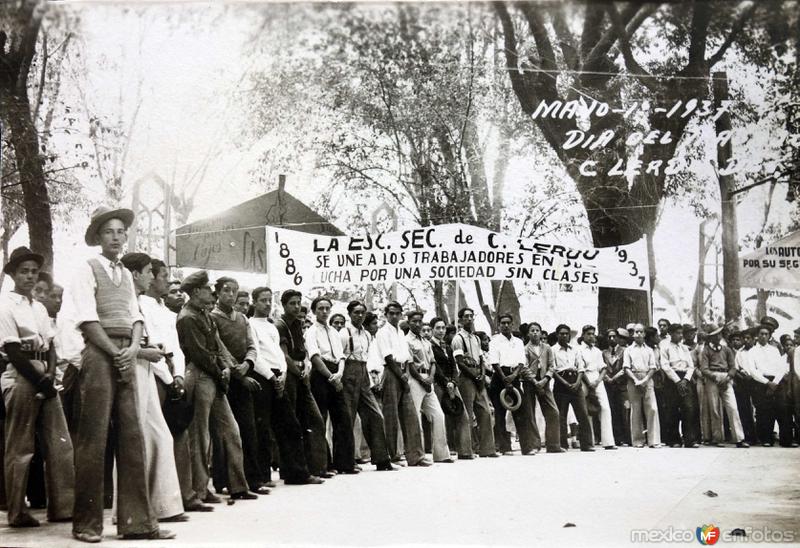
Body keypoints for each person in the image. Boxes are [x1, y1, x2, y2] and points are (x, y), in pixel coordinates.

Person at [66, 205, 169, 542]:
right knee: (93, 438)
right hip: (99, 353)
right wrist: (115, 353)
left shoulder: (126, 274)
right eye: (108, 231)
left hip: (126, 351)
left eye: (120, 232)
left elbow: (136, 316)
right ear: (97, 236)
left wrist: (132, 349)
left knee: (132, 435)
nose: (115, 237)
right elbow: (86, 318)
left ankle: (137, 522)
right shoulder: (86, 268)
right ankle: (86, 524)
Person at [1, 247, 74, 528]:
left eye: (33, 271)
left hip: (45, 373)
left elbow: (52, 344)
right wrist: (40, 381)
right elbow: (13, 351)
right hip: (21, 375)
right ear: (13, 274)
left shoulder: (39, 307)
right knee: (21, 446)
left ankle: (64, 507)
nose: (30, 277)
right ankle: (17, 511)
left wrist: (51, 376)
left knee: (60, 441)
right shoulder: (5, 305)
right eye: (24, 271)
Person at [176, 270, 258, 504]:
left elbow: (218, 346)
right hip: (201, 376)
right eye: (206, 288)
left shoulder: (204, 315)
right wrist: (221, 370)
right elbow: (199, 353)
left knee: (231, 432)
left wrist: (226, 367)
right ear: (195, 292)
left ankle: (238, 487)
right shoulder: (188, 317)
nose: (211, 292)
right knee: (200, 437)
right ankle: (200, 491)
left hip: (213, 377)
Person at [138, 259, 212, 513]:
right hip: (155, 375)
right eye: (162, 276)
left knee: (180, 433)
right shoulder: (141, 306)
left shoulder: (167, 312)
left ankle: (185, 495)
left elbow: (176, 349)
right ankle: (156, 502)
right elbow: (153, 346)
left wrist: (178, 376)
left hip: (173, 374)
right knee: (157, 438)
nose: (167, 281)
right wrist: (169, 379)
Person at [120, 253, 185, 522]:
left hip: (146, 369)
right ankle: (137, 510)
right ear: (135, 274)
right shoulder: (126, 300)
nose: (151, 276)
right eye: (148, 271)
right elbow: (121, 342)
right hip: (133, 371)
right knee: (137, 441)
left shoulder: (138, 302)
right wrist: (145, 353)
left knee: (159, 437)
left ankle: (163, 506)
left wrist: (150, 351)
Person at [249, 287, 324, 485]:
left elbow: (279, 354)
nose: (266, 304)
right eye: (262, 300)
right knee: (263, 427)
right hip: (263, 376)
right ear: (254, 302)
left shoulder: (272, 326)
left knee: (291, 425)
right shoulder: (251, 325)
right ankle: (262, 476)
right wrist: (272, 377)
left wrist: (282, 374)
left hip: (280, 376)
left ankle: (297, 473)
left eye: (268, 300)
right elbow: (255, 355)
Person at [210, 277, 271, 494]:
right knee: (223, 433)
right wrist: (238, 372)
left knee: (248, 430)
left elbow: (252, 346)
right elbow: (219, 349)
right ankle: (221, 480)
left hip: (245, 376)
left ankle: (252, 480)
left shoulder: (243, 318)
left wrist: (248, 363)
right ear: (217, 293)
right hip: (226, 379)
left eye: (234, 291)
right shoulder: (212, 317)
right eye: (226, 290)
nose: (231, 295)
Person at [274, 290, 329, 478]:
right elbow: (284, 355)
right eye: (292, 303)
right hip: (289, 375)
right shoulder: (279, 325)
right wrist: (298, 371)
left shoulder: (298, 324)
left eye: (298, 303)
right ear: (283, 305)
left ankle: (316, 467)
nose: (296, 307)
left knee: (313, 420)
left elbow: (303, 351)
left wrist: (305, 366)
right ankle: (294, 471)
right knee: (292, 423)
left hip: (302, 375)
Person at [305, 296, 357, 474]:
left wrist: (339, 374)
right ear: (314, 311)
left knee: (343, 418)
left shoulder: (334, 332)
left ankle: (345, 464)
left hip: (337, 372)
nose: (324, 312)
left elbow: (341, 356)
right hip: (321, 374)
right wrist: (330, 377)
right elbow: (315, 357)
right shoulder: (311, 331)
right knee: (320, 419)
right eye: (320, 308)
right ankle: (323, 464)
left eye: (327, 308)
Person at [340, 301, 395, 471]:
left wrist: (370, 379)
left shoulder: (366, 334)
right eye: (356, 312)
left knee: (375, 415)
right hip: (348, 372)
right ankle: (346, 462)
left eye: (362, 312)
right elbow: (339, 357)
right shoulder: (344, 333)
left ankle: (381, 459)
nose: (359, 315)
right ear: (349, 314)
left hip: (363, 374)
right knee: (347, 418)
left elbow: (368, 357)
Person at [375, 301, 429, 466]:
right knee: (390, 417)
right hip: (391, 372)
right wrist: (401, 377)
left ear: (400, 315)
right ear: (386, 314)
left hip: (403, 371)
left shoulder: (400, 332)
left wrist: (405, 374)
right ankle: (392, 456)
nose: (394, 316)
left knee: (410, 415)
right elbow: (388, 358)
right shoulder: (383, 332)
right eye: (391, 313)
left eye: (397, 313)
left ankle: (416, 456)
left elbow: (405, 356)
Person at [406, 310, 453, 463]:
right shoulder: (407, 340)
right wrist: (421, 380)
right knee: (416, 418)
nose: (417, 324)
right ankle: (417, 456)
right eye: (414, 321)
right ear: (408, 322)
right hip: (415, 379)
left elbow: (433, 362)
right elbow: (410, 364)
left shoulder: (426, 341)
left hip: (429, 378)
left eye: (420, 321)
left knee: (438, 415)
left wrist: (431, 378)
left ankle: (441, 454)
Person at [452, 308, 497, 458]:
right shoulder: (458, 339)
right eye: (466, 317)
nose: (469, 319)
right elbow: (459, 362)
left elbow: (481, 359)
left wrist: (482, 375)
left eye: (471, 316)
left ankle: (488, 449)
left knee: (485, 411)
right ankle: (466, 451)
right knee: (467, 415)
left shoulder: (476, 338)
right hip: (466, 378)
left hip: (478, 376)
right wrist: (474, 376)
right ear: (460, 320)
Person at [488, 314, 536, 455]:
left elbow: (521, 361)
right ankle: (505, 447)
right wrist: (504, 379)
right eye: (503, 323)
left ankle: (526, 447)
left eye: (508, 323)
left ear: (512, 324)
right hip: (499, 377)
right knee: (500, 414)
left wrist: (514, 375)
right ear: (499, 325)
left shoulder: (519, 342)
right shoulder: (494, 341)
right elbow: (494, 362)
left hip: (514, 376)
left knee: (521, 412)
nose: (506, 325)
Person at [699, 325, 748, 448]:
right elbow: (704, 369)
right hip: (712, 378)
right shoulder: (705, 351)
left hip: (726, 377)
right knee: (715, 409)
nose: (718, 336)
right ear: (710, 337)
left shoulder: (727, 350)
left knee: (732, 407)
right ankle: (717, 438)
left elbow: (733, 367)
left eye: (719, 334)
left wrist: (727, 378)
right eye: (715, 335)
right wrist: (715, 377)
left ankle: (739, 438)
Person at [551, 324, 594, 451]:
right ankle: (562, 444)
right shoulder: (552, 350)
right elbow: (552, 370)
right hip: (561, 383)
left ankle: (587, 444)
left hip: (576, 382)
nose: (564, 336)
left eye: (566, 334)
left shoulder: (575, 349)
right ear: (557, 335)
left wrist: (577, 382)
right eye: (561, 333)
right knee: (561, 416)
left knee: (582, 414)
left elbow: (581, 367)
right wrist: (565, 383)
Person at [749, 325, 793, 447]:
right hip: (761, 382)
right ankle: (766, 439)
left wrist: (775, 383)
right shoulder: (752, 351)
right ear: (757, 335)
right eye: (761, 334)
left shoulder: (774, 350)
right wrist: (767, 383)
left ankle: (786, 440)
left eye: (766, 334)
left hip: (776, 381)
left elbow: (781, 367)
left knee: (782, 409)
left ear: (769, 336)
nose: (763, 336)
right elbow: (753, 371)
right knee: (764, 411)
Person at [522, 322, 562, 453]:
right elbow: (524, 367)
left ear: (541, 332)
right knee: (530, 413)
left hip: (544, 381)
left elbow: (552, 365)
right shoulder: (525, 349)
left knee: (553, 411)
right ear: (528, 333)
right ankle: (534, 445)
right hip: (530, 382)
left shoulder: (547, 348)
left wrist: (545, 379)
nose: (535, 333)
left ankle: (553, 445)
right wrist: (534, 381)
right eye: (532, 330)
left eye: (537, 330)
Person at [658, 324, 699, 448]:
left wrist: (685, 380)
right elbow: (665, 366)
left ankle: (689, 439)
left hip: (685, 378)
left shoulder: (685, 348)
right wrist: (677, 381)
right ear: (670, 334)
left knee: (688, 408)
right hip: (672, 379)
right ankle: (674, 439)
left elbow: (691, 366)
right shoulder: (665, 347)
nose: (680, 336)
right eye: (677, 333)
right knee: (672, 409)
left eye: (681, 333)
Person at [623, 324, 660, 448]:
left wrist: (645, 380)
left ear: (644, 334)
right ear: (633, 334)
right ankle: (638, 440)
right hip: (633, 379)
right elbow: (626, 367)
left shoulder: (649, 350)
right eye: (636, 332)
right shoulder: (628, 350)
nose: (638, 334)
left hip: (647, 378)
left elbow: (653, 367)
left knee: (652, 408)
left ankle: (653, 440)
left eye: (641, 332)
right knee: (636, 410)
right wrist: (635, 380)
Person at [580, 325, 616, 449]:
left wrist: (598, 381)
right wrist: (589, 383)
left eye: (593, 334)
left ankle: (608, 441)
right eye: (588, 334)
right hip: (584, 379)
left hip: (597, 379)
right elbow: (580, 368)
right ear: (583, 335)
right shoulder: (579, 350)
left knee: (605, 408)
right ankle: (589, 441)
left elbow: (603, 368)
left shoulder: (597, 351)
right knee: (586, 410)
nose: (591, 336)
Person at [603, 328, 631, 447]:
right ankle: (617, 438)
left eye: (614, 336)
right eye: (609, 337)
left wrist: (614, 378)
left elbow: (625, 368)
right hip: (609, 387)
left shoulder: (625, 351)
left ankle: (628, 438)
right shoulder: (604, 353)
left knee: (625, 410)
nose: (612, 339)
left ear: (618, 338)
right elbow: (602, 368)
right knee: (613, 411)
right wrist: (607, 378)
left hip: (622, 386)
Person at [734, 328, 759, 445]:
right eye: (744, 338)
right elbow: (736, 368)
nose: (746, 340)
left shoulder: (757, 350)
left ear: (754, 339)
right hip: (743, 382)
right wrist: (741, 375)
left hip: (757, 381)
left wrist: (754, 376)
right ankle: (748, 435)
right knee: (744, 409)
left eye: (748, 338)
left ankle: (761, 435)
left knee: (759, 408)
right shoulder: (740, 352)